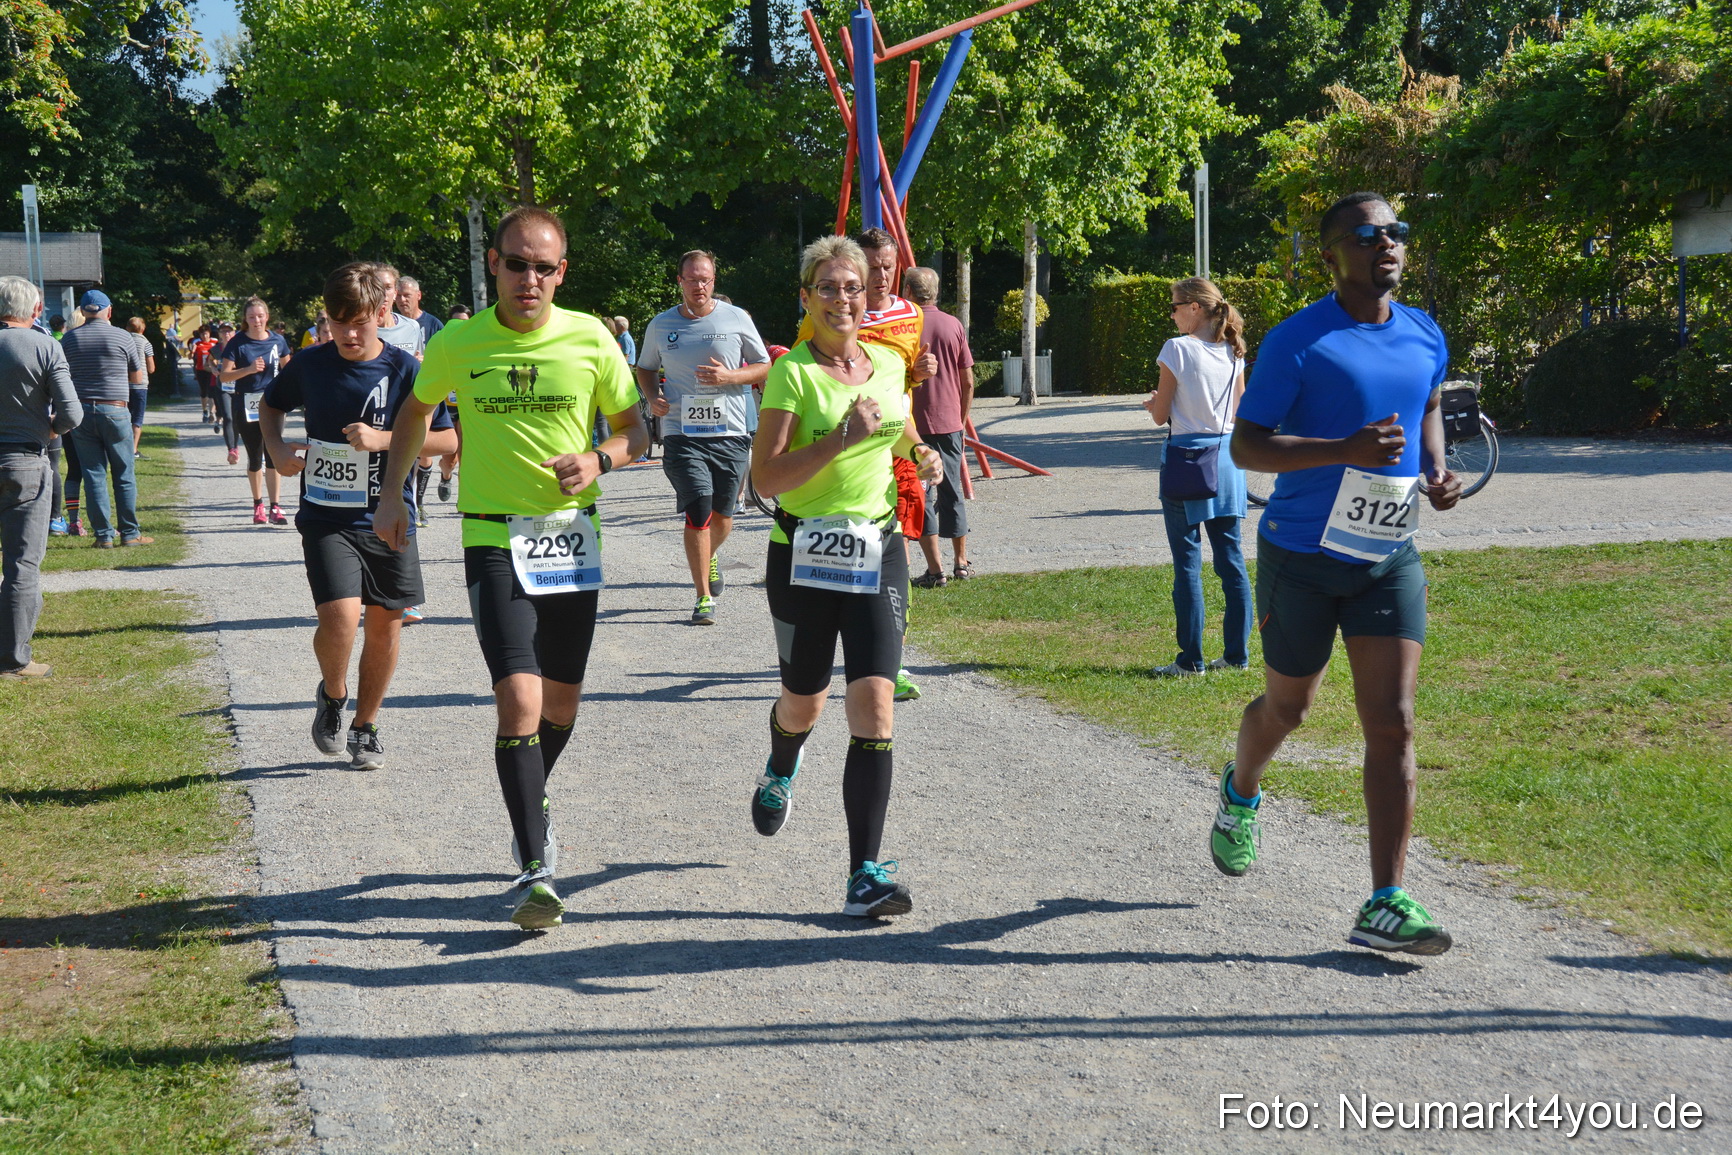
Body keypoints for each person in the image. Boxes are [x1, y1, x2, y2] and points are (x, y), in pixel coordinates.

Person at [374, 204, 647, 931]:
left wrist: (598, 459)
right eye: (517, 263)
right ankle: (537, 866)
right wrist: (394, 495)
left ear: (563, 271)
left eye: (545, 266)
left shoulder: (590, 337)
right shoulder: (460, 340)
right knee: (519, 701)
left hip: (570, 539)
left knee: (561, 707)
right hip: (493, 538)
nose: (531, 278)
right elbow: (414, 414)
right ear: (493, 263)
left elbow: (636, 430)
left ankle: (531, 796)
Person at [1211, 191, 1463, 956]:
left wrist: (1438, 468)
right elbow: (1246, 448)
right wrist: (1342, 450)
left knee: (1393, 721)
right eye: (1365, 234)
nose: (1386, 244)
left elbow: (1425, 407)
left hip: (1387, 555)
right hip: (1302, 555)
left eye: (1396, 232)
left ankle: (1385, 898)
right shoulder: (1299, 341)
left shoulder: (1424, 332)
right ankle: (1240, 788)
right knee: (1288, 709)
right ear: (1331, 255)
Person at [750, 235, 944, 918]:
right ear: (806, 298)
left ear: (870, 295)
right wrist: (840, 439)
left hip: (878, 548)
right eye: (827, 288)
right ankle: (781, 762)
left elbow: (898, 426)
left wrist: (920, 450)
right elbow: (765, 477)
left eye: (853, 287)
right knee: (803, 703)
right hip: (803, 552)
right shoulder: (792, 374)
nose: (842, 299)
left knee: (875, 704)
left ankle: (863, 871)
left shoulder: (889, 363)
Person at [261, 263, 458, 770]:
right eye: (338, 322)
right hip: (326, 515)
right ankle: (332, 693)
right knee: (342, 618)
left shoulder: (405, 370)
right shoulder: (309, 364)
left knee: (386, 625)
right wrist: (278, 449)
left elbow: (449, 438)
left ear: (383, 313)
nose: (349, 334)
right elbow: (271, 405)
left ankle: (366, 726)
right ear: (325, 316)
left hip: (389, 513)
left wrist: (387, 439)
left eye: (361, 322)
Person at [793, 228, 938, 702]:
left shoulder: (911, 314)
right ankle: (833, 652)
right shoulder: (825, 315)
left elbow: (907, 373)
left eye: (888, 267)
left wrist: (920, 376)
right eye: (872, 267)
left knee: (899, 542)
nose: (880, 276)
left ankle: (887, 657)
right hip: (835, 450)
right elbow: (802, 365)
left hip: (895, 440)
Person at [636, 251, 771, 625]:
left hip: (729, 430)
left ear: (714, 281)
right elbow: (645, 368)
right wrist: (652, 397)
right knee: (698, 506)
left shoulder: (736, 318)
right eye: (692, 279)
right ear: (679, 281)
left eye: (706, 279)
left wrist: (730, 378)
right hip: (681, 432)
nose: (699, 286)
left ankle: (708, 554)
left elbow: (764, 364)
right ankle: (703, 597)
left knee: (723, 516)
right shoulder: (661, 325)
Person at [1144, 277, 1252, 677]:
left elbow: (1160, 415)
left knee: (1187, 562)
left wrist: (1154, 404)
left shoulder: (1177, 349)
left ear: (1193, 307)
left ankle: (1191, 659)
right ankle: (1237, 655)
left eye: (1174, 307)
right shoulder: (1233, 350)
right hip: (1228, 457)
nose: (1171, 314)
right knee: (1231, 558)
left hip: (1187, 458)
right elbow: (1240, 411)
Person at [0, 276, 83, 678]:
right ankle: (15, 659)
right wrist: (48, 430)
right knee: (21, 565)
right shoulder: (46, 345)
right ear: (35, 311)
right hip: (25, 462)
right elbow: (71, 413)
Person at [901, 267, 975, 588]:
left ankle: (936, 569)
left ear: (907, 292)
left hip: (911, 423)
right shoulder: (953, 324)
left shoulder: (903, 327)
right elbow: (968, 380)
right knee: (952, 490)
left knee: (920, 493)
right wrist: (960, 418)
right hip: (949, 422)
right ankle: (961, 563)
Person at [61, 290, 150, 548]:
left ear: (83, 311)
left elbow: (62, 377)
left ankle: (103, 536)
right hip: (115, 409)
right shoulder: (123, 337)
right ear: (108, 311)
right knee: (123, 472)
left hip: (82, 413)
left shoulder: (69, 339)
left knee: (93, 473)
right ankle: (130, 533)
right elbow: (136, 378)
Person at [218, 299, 293, 525]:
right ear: (246, 319)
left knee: (274, 455)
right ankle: (258, 504)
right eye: (251, 317)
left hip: (272, 405)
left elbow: (289, 371)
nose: (256, 321)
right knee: (254, 457)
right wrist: (248, 370)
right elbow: (224, 376)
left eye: (260, 316)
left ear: (267, 316)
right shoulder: (237, 343)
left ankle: (276, 507)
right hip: (246, 404)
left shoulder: (278, 341)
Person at [124, 317, 155, 458]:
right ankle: (133, 450)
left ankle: (122, 447)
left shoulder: (123, 340)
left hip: (123, 384)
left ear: (127, 328)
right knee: (137, 418)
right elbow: (151, 368)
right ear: (143, 329)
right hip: (140, 385)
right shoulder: (145, 342)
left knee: (124, 416)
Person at [397, 276, 444, 346]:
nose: (402, 299)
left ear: (419, 295)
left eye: (407, 295)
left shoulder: (433, 325)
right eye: (398, 295)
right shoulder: (392, 325)